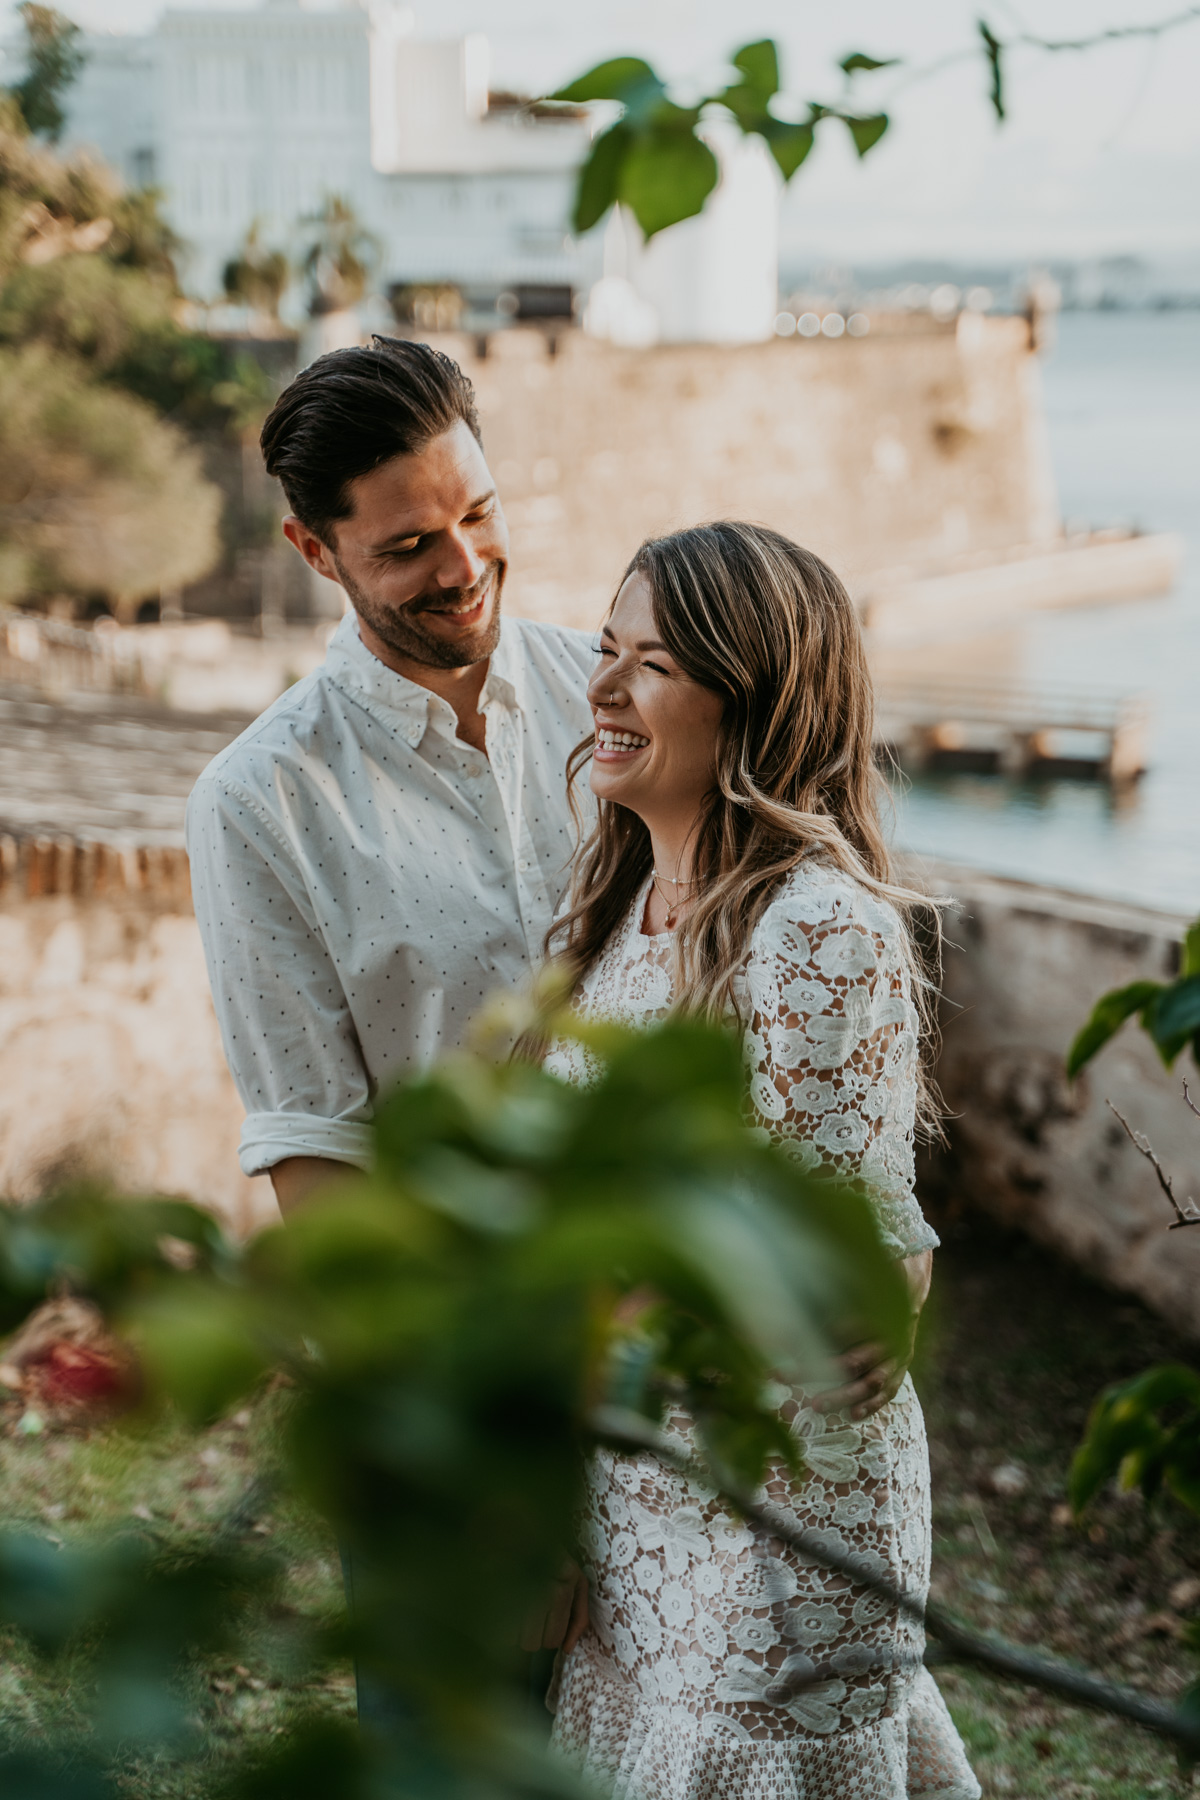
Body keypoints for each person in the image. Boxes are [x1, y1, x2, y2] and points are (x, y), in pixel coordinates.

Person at [540, 523, 980, 1800]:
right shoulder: (630, 908)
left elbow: (841, 1296)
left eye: (654, 663)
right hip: (638, 1492)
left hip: (764, 1524)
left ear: (756, 699)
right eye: (608, 651)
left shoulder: (819, 928)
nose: (604, 690)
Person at [185, 337, 595, 1217]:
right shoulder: (259, 801)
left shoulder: (615, 695)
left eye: (479, 514)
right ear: (315, 550)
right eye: (408, 546)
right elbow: (314, 1148)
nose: (464, 568)